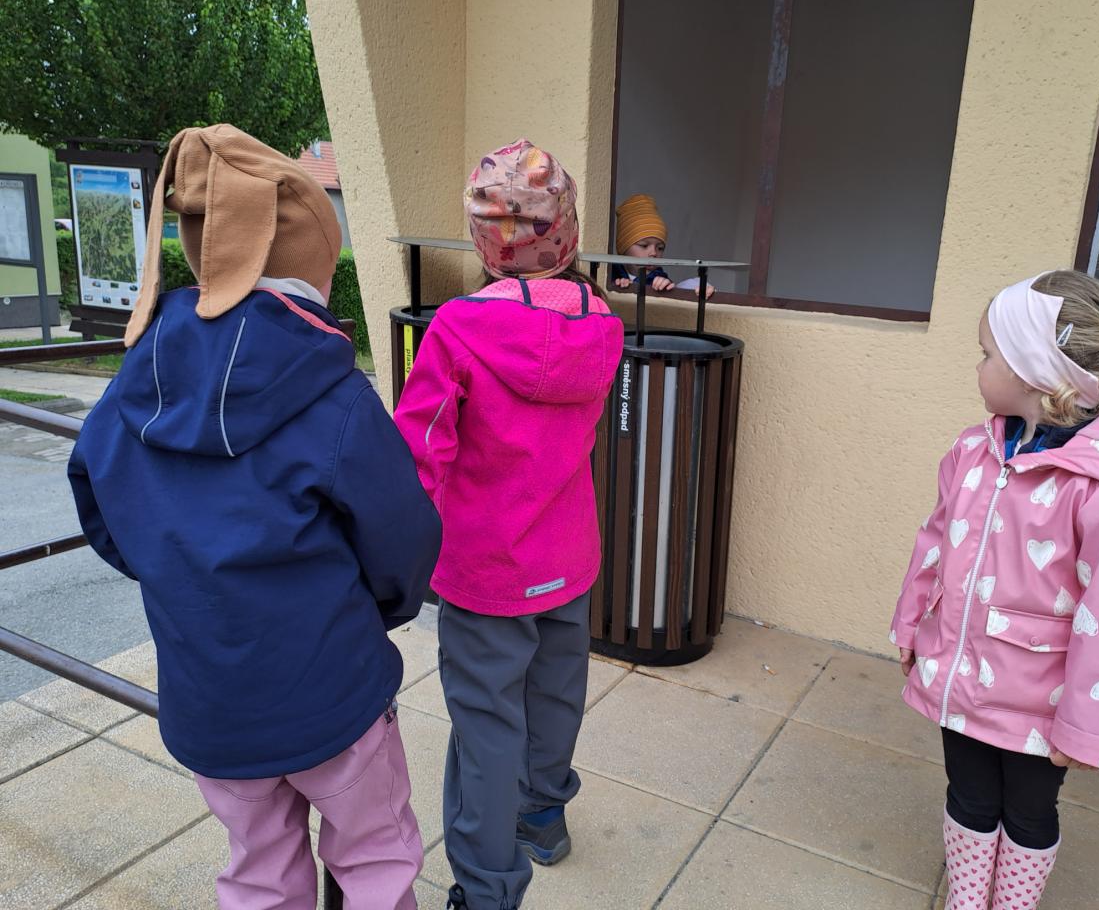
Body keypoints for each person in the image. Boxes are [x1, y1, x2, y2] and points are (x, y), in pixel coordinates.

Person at [68, 125, 442, 910]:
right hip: (334, 690)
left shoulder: (138, 374)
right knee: (375, 861)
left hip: (210, 700)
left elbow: (96, 493)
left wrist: (176, 572)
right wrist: (378, 610)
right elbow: (403, 538)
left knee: (259, 874)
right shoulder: (337, 395)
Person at [889, 270, 1099, 909]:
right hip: (961, 673)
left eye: (988, 354)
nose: (978, 366)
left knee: (1029, 811)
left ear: (1035, 372)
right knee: (968, 796)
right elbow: (935, 540)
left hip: (1042, 700)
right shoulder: (974, 451)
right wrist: (912, 623)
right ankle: (967, 899)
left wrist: (1087, 724)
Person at [394, 139, 624, 910]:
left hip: (487, 569)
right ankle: (544, 817)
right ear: (568, 230)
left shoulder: (457, 328)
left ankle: (488, 890)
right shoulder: (601, 322)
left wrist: (394, 553)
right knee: (555, 697)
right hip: (569, 555)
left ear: (483, 239)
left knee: (487, 728)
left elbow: (420, 453)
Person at [611, 192, 715, 295]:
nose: (653, 253)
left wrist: (666, 290)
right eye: (644, 245)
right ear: (623, 248)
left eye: (660, 248)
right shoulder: (608, 274)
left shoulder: (661, 281)